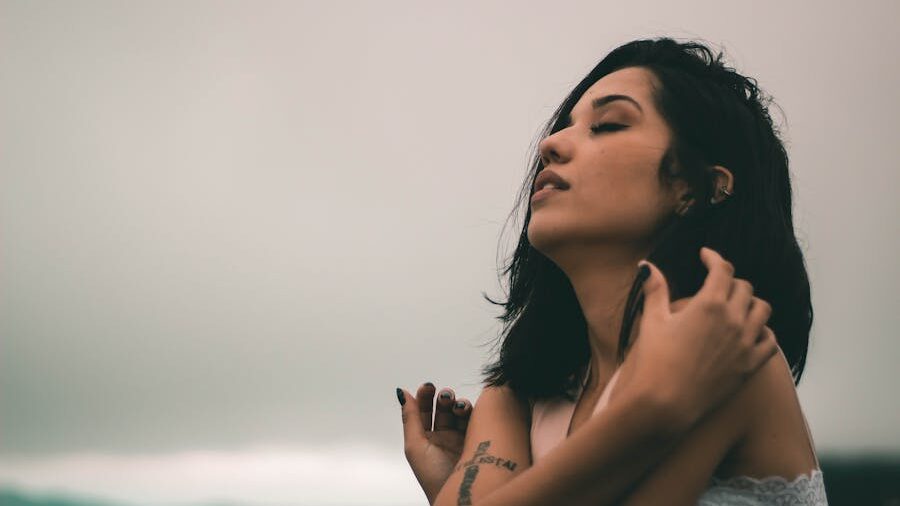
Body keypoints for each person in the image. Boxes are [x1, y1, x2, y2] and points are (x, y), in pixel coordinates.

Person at [396, 37, 826, 505]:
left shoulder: (725, 348)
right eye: (567, 126)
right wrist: (651, 411)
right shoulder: (515, 398)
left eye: (607, 125)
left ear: (698, 188)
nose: (551, 143)